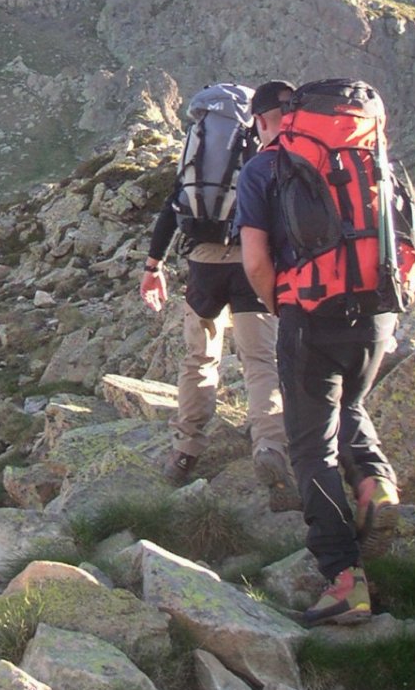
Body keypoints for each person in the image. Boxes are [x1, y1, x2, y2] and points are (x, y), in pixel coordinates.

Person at [235, 80, 401, 625]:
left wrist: (280, 303)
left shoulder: (264, 168)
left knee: (310, 447)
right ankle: (375, 485)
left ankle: (344, 580)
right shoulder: (369, 153)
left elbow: (257, 263)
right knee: (351, 403)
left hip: (311, 317)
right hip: (377, 312)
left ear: (265, 120)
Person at [140, 81, 295, 501]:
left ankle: (185, 449)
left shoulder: (200, 149)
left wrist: (153, 267)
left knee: (199, 358)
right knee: (261, 359)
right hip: (251, 263)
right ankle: (269, 445)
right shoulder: (260, 151)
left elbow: (171, 210)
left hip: (203, 265)